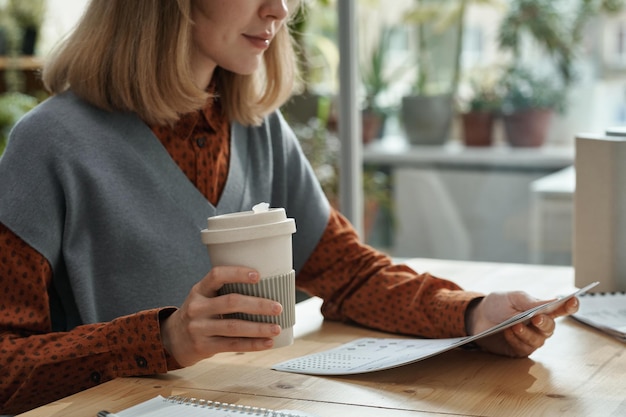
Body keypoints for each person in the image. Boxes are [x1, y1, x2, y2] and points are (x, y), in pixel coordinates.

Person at [0, 0, 579, 414]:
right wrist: (167, 339)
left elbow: (348, 273)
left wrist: (475, 315)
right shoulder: (49, 144)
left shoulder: (256, 127)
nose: (280, 9)